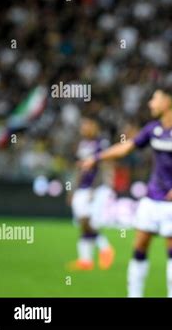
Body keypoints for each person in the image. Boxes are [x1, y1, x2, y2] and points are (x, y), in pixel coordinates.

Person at [80, 87, 172, 297]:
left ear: (167, 102)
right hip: (151, 198)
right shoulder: (152, 129)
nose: (150, 104)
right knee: (140, 244)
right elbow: (126, 147)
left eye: (154, 99)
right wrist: (98, 157)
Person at [68, 116, 115, 271]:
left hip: (96, 189)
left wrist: (95, 190)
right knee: (83, 223)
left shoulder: (101, 144)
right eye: (83, 126)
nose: (84, 128)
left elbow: (104, 167)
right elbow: (79, 169)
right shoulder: (82, 144)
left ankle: (105, 249)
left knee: (90, 223)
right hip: (81, 188)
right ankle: (86, 260)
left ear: (95, 127)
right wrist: (72, 190)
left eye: (87, 125)